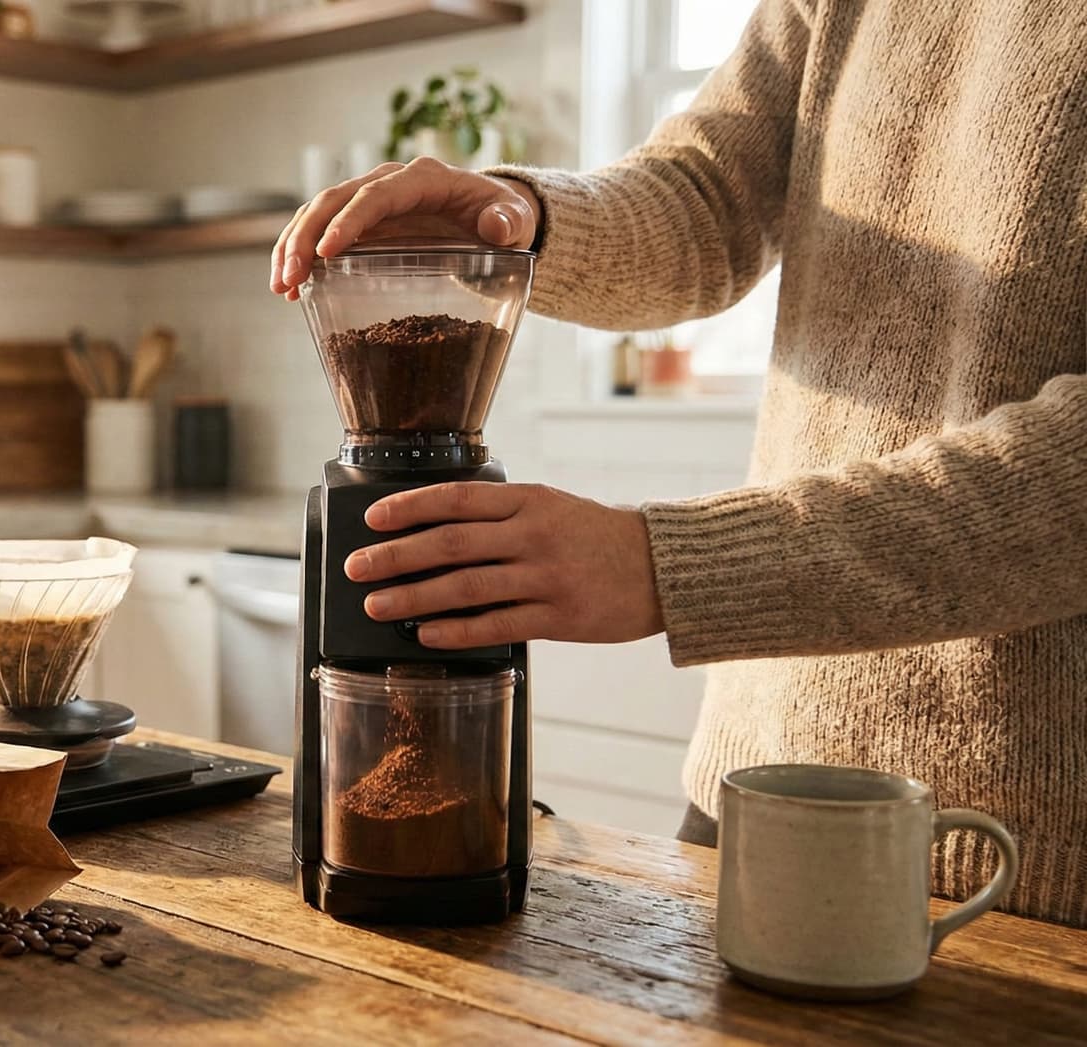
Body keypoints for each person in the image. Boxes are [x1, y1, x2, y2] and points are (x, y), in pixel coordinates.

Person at [270, 0, 1087, 928]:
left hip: (1029, 856)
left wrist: (668, 564)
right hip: (756, 777)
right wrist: (524, 220)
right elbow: (706, 196)